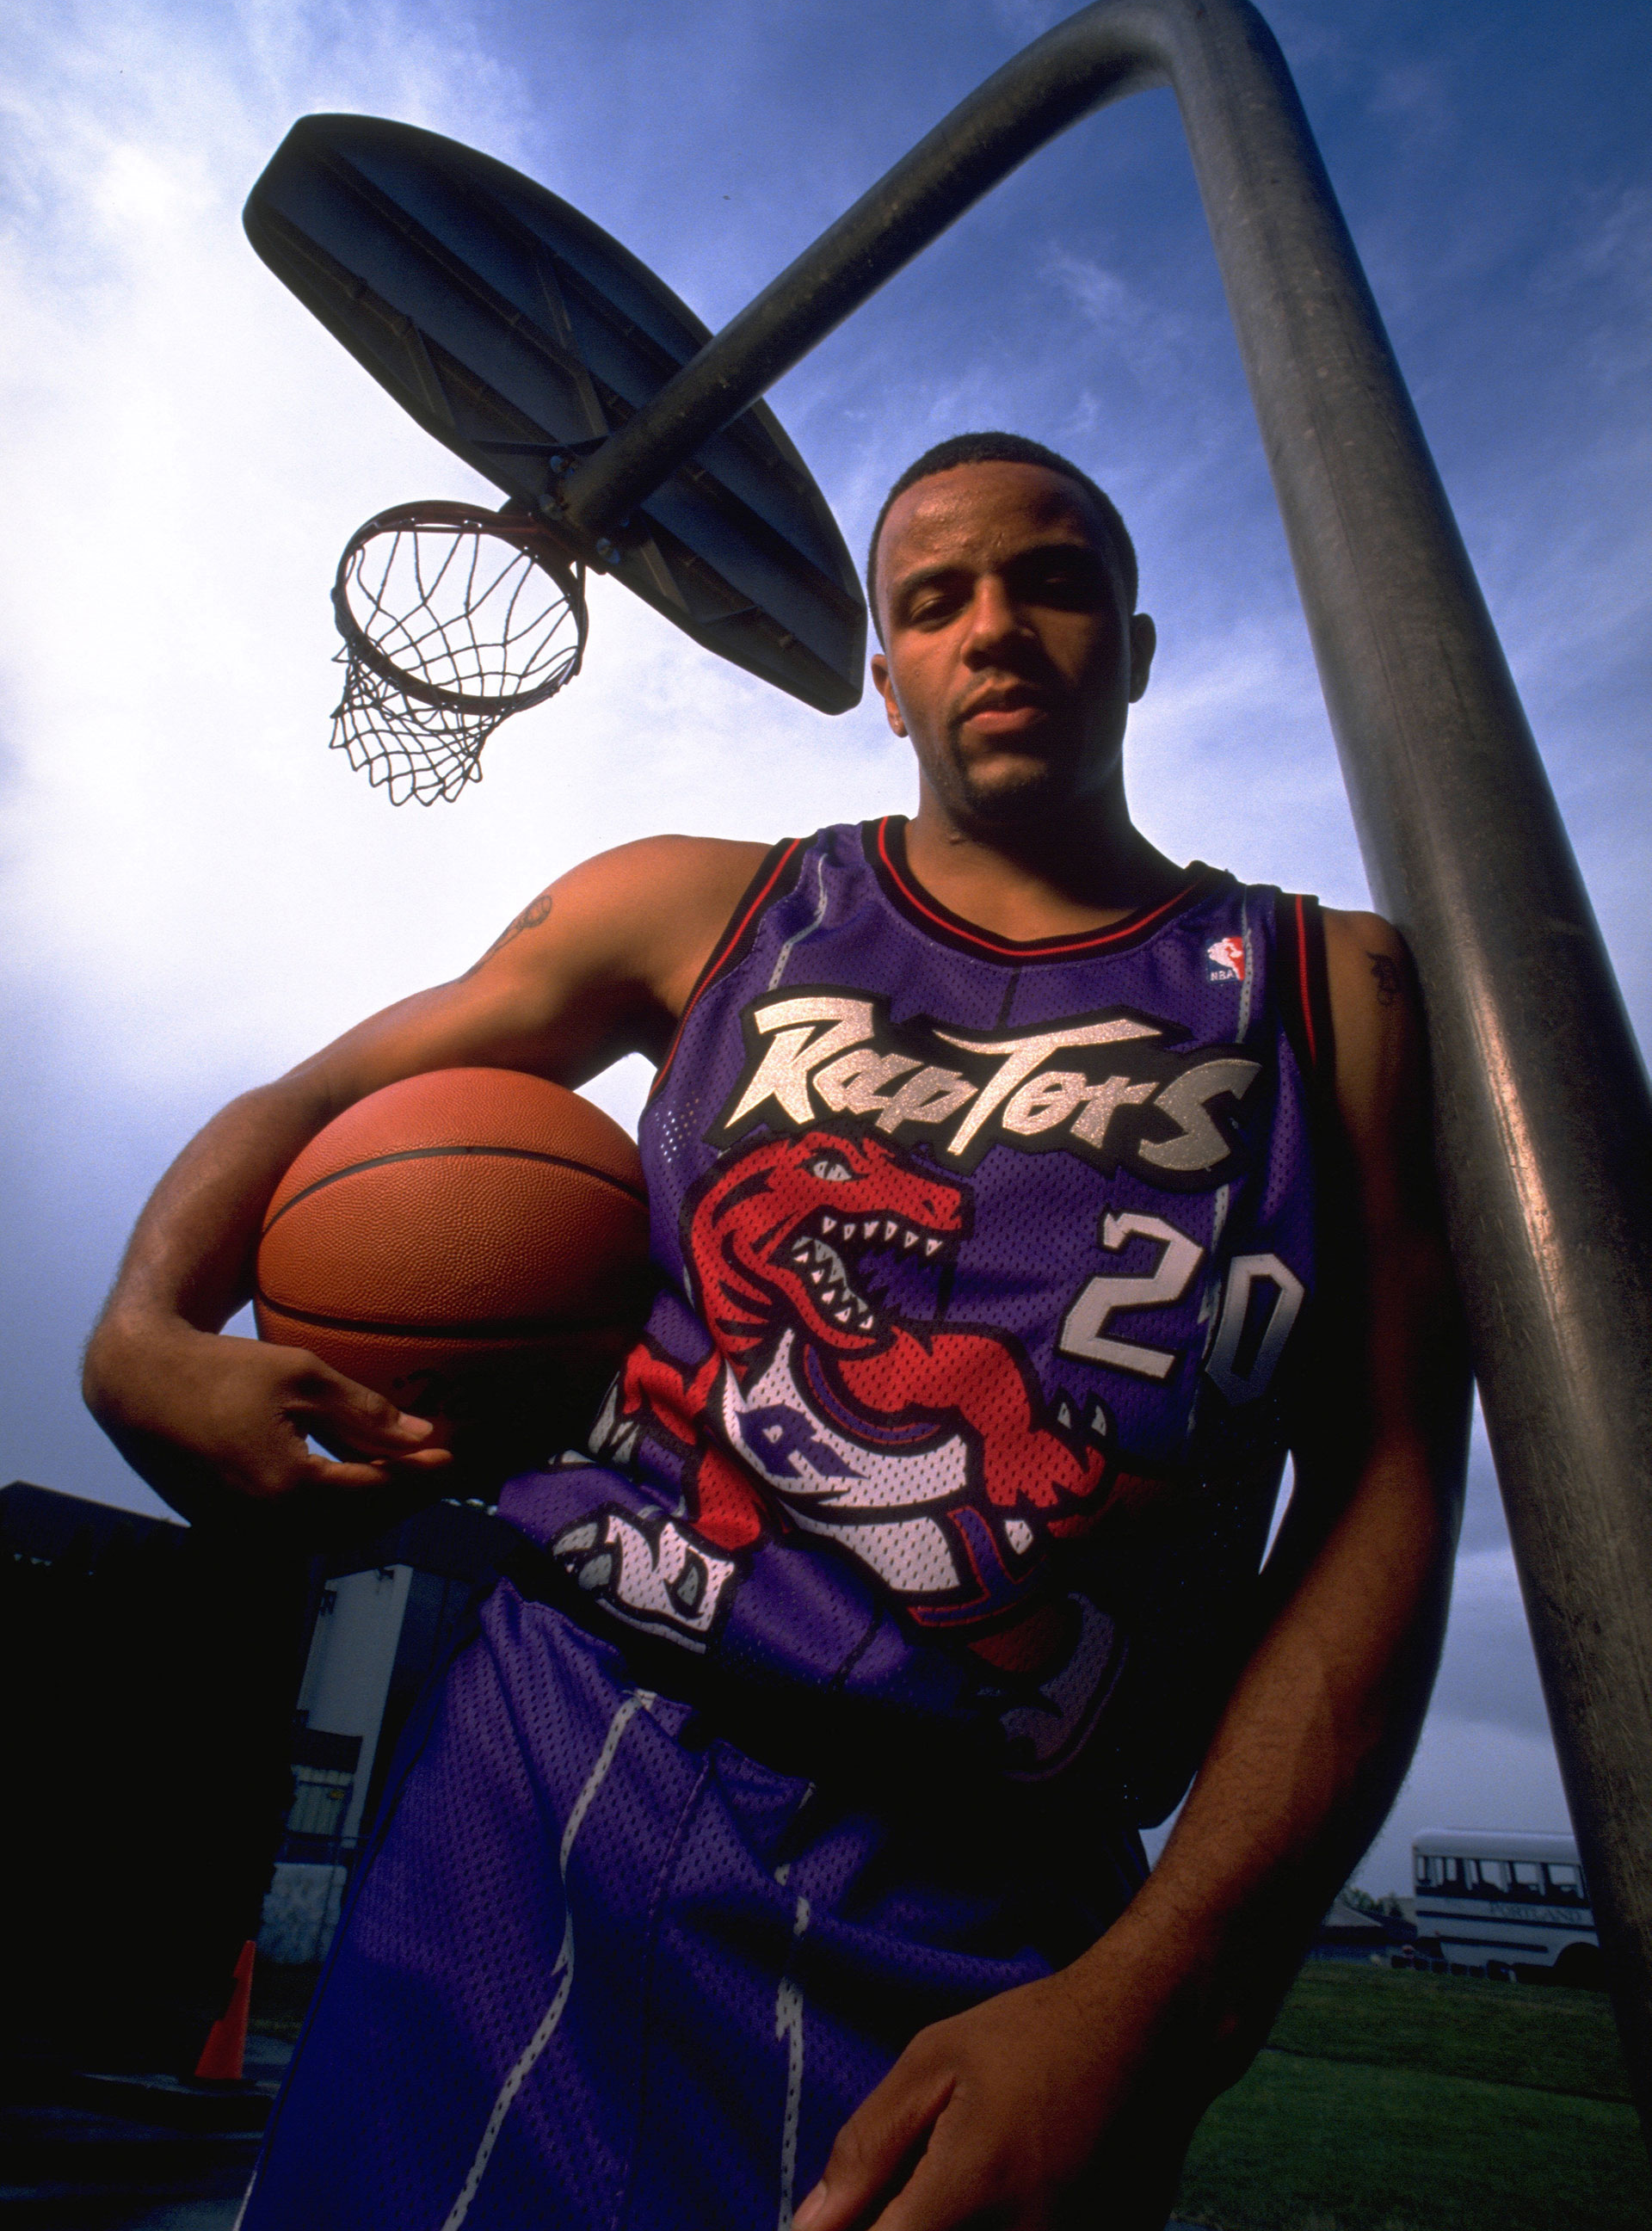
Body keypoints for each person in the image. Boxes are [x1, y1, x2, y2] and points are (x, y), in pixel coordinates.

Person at [84, 434, 1470, 2231]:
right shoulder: (705, 904)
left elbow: (1386, 1493)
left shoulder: (1323, 991)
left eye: (1051, 581)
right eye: (935, 601)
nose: (996, 630)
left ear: (1131, 644)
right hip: (561, 1763)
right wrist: (143, 1328)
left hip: (996, 1891)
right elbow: (329, 1089)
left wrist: (1163, 1993)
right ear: (884, 681)